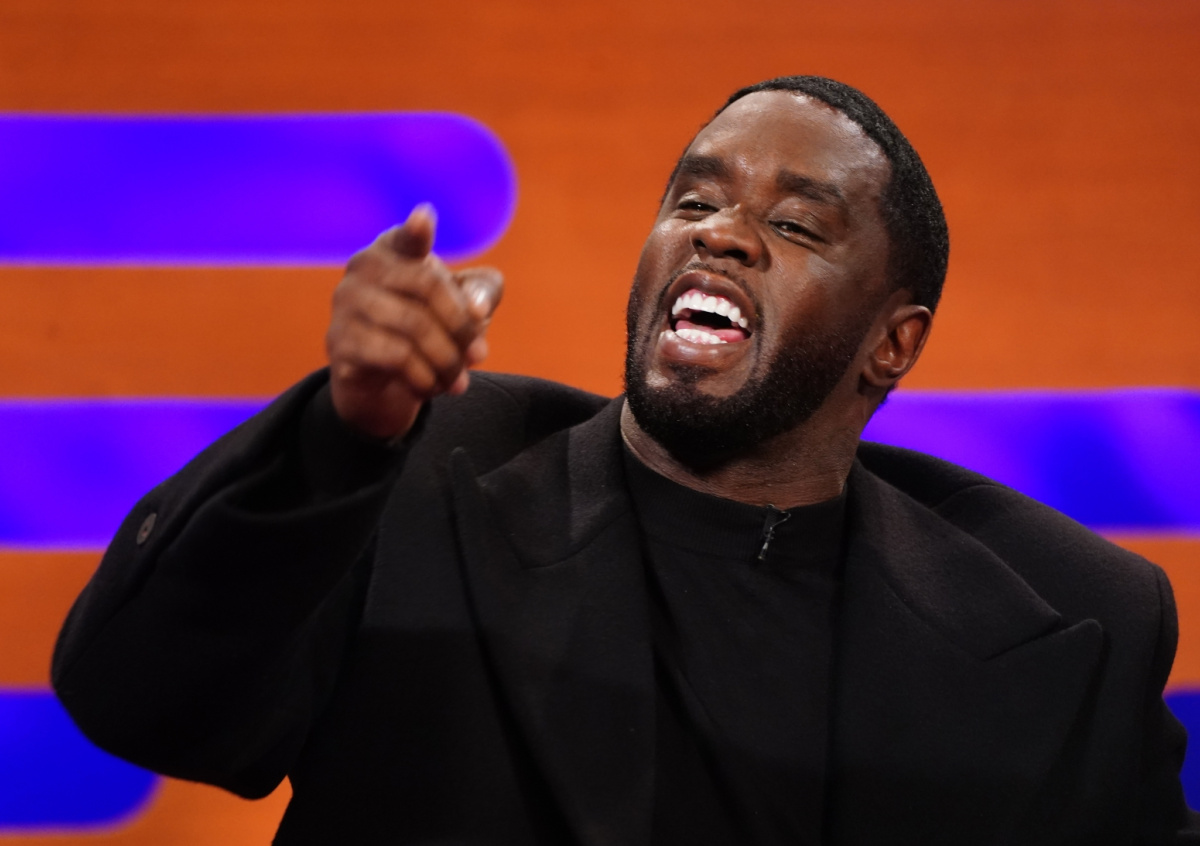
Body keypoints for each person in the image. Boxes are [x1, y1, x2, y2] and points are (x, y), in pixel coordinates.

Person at [52, 76, 1198, 845]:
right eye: (694, 199)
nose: (721, 232)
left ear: (892, 345)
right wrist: (340, 434)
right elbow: (139, 700)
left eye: (795, 225)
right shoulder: (423, 475)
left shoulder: (1071, 620)